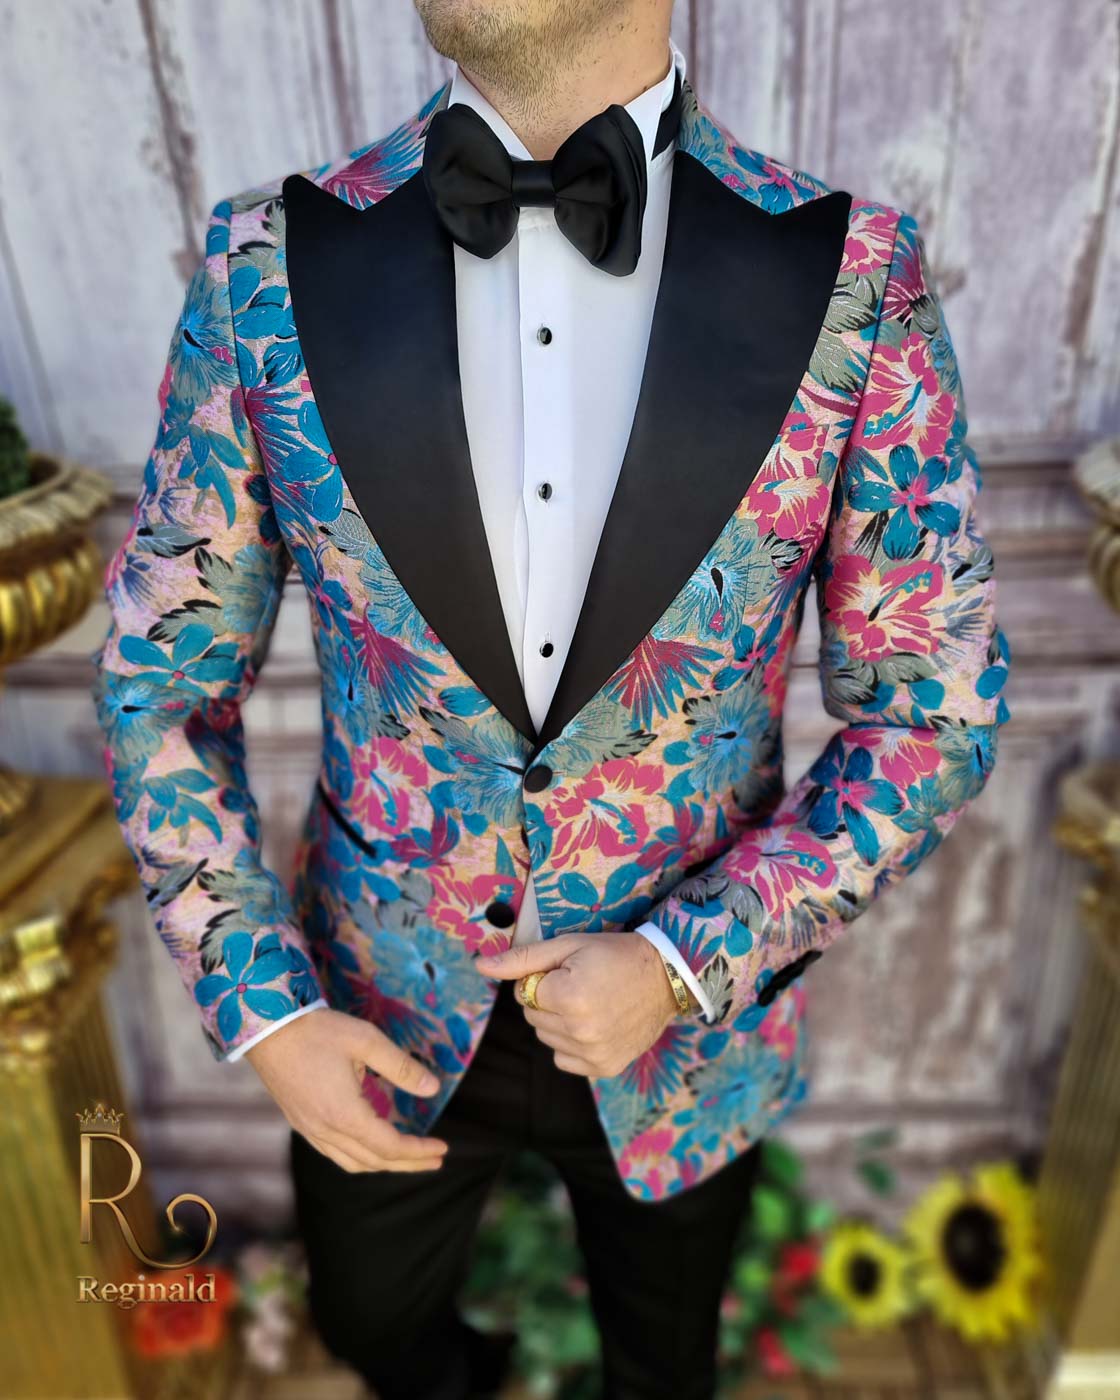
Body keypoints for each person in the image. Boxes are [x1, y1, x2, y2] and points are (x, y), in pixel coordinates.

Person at [92, 1, 1011, 1395]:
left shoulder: (852, 278)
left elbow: (931, 709)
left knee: (665, 1363)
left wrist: (688, 960)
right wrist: (264, 1007)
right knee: (372, 1329)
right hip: (378, 997)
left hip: (682, 1028)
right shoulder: (263, 266)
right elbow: (163, 684)